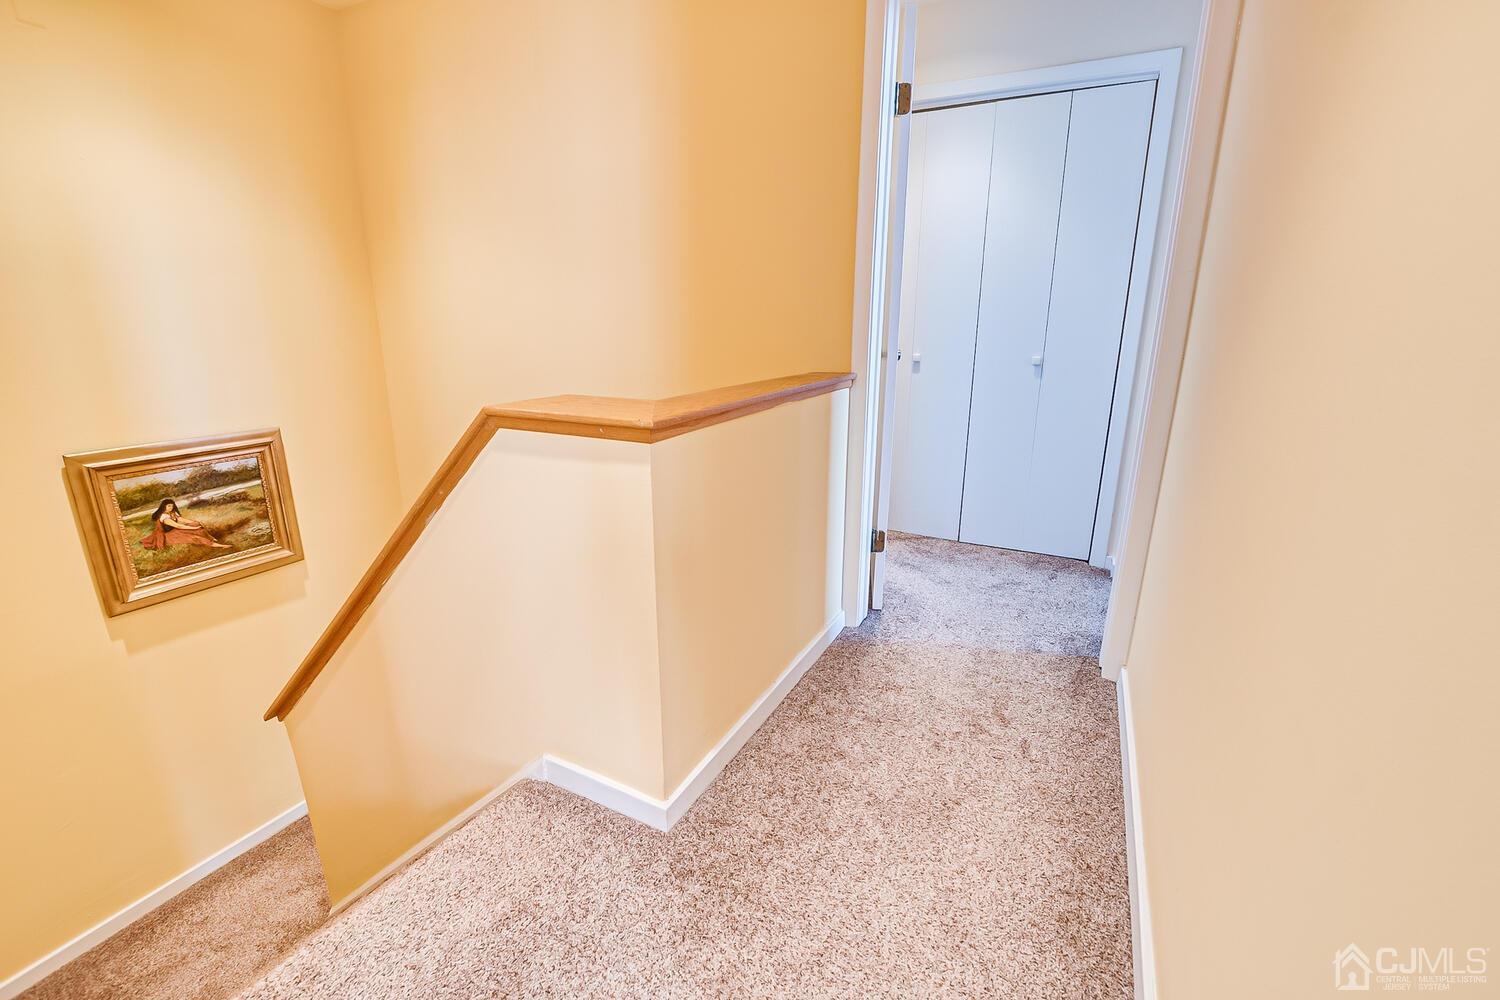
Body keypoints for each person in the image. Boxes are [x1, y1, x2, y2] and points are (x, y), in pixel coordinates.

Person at [140, 499, 231, 550]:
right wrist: (193, 529)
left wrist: (194, 523)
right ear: (164, 507)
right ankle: (220, 546)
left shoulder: (173, 513)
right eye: (168, 506)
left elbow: (181, 520)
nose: (171, 508)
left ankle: (210, 538)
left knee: (196, 524)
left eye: (172, 506)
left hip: (175, 530)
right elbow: (178, 526)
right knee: (194, 537)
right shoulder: (164, 516)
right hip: (168, 535)